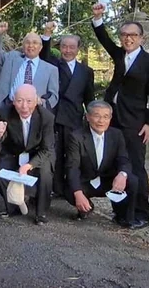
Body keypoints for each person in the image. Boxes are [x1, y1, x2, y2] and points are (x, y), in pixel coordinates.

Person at [92, 3, 149, 227]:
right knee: (115, 166)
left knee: (135, 168)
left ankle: (141, 213)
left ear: (141, 38)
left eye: (132, 35)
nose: (128, 39)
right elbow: (104, 40)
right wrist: (98, 19)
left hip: (135, 123)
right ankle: (120, 210)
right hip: (113, 120)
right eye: (124, 35)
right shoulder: (119, 55)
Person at [38, 23, 96, 197]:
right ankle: (54, 188)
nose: (67, 50)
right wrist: (47, 34)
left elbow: (89, 97)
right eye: (64, 46)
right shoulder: (53, 64)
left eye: (72, 47)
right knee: (54, 153)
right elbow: (44, 54)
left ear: (78, 49)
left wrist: (91, 116)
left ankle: (71, 188)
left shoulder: (86, 71)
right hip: (55, 116)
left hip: (75, 118)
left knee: (73, 155)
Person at [65, 101, 143, 228]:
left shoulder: (116, 135)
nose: (101, 120)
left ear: (110, 118)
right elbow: (72, 167)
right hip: (86, 181)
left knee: (132, 180)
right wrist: (78, 193)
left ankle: (124, 217)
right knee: (69, 189)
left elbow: (124, 159)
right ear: (88, 117)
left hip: (108, 181)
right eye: (97, 116)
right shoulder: (76, 136)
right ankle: (86, 207)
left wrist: (122, 175)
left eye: (106, 117)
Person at [0, 84, 55, 224]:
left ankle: (41, 213)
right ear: (13, 101)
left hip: (38, 153)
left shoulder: (46, 117)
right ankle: (13, 206)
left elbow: (47, 149)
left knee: (45, 174)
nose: (24, 106)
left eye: (29, 101)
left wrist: (29, 165)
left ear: (36, 101)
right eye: (19, 101)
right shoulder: (5, 112)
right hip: (14, 152)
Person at [0, 28, 59, 111]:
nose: (31, 46)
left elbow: (54, 96)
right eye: (27, 42)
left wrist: (41, 102)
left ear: (40, 47)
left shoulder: (51, 69)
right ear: (23, 46)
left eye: (35, 43)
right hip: (9, 108)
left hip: (35, 111)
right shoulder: (12, 58)